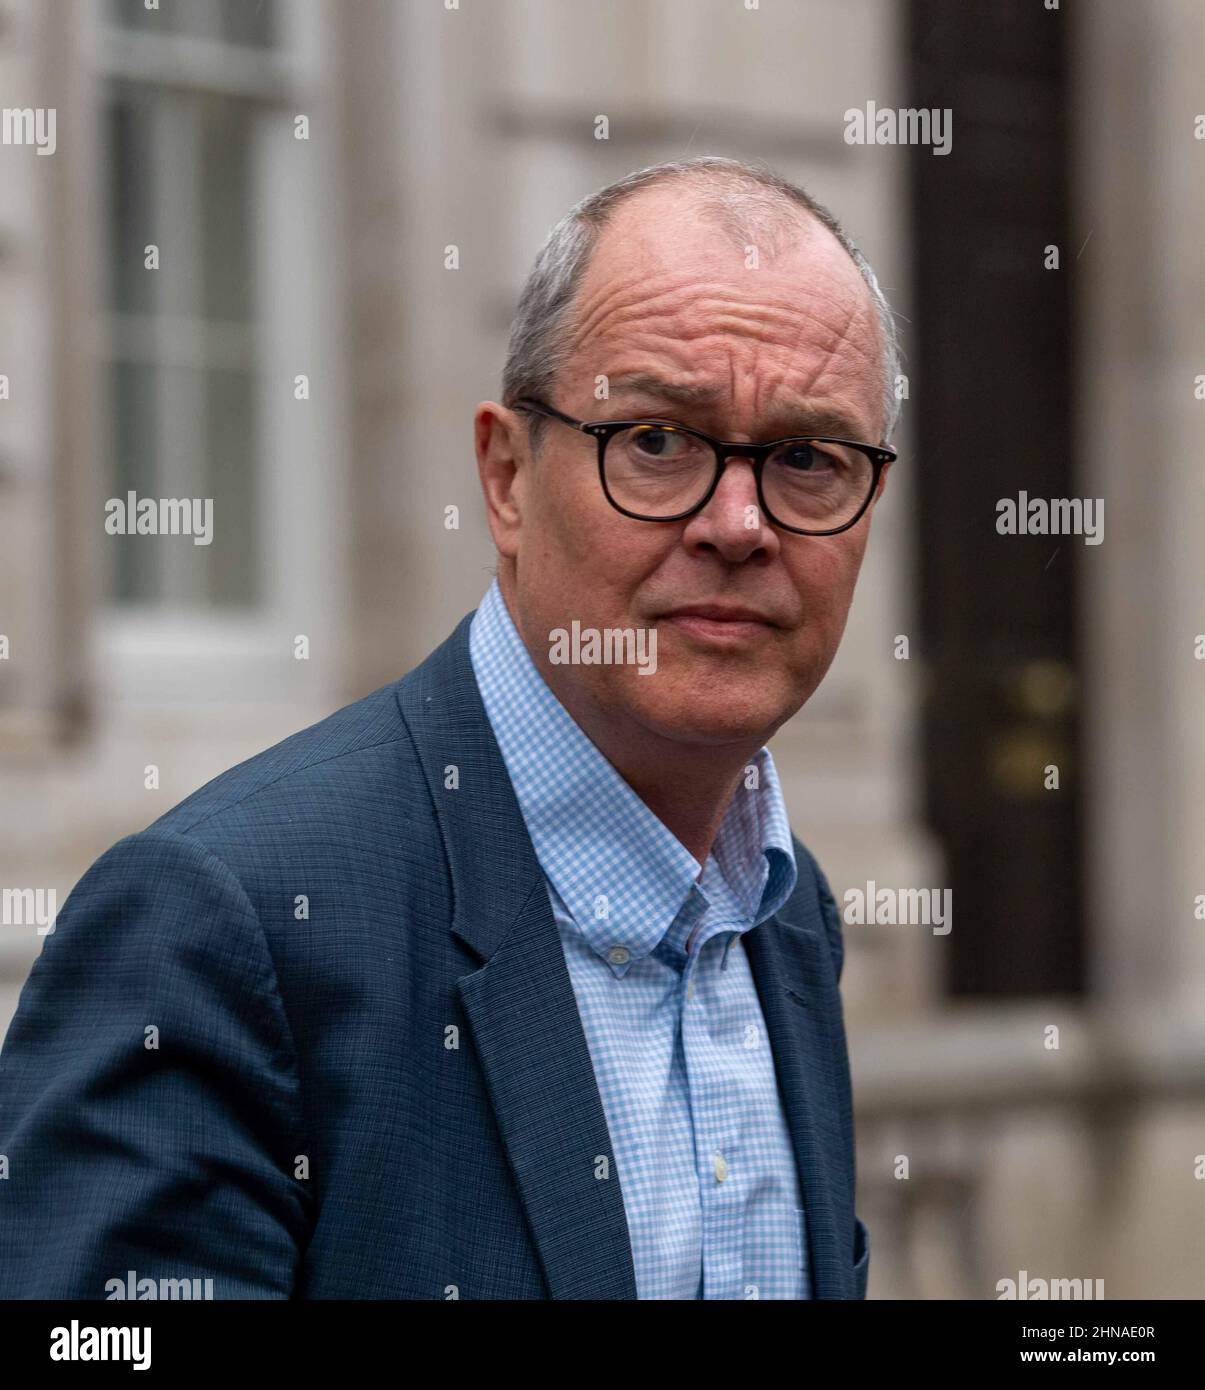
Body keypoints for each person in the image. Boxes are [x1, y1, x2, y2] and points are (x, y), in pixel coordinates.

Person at [0, 156, 896, 1300]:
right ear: (506, 476)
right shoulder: (220, 927)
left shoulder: (782, 908)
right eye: (658, 442)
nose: (737, 523)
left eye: (808, 459)